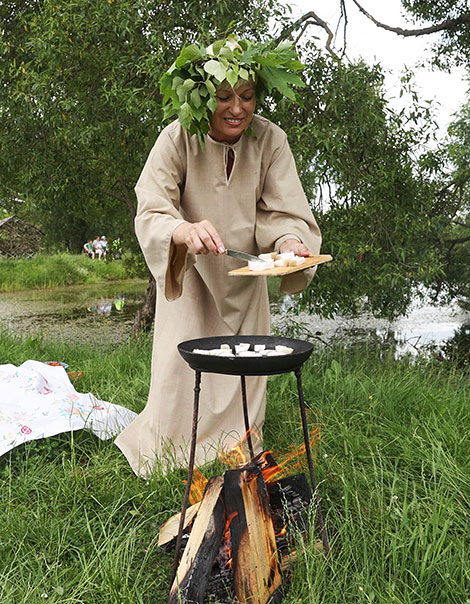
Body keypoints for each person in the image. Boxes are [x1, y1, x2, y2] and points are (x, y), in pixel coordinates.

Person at [115, 37, 322, 477]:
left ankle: (239, 452)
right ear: (206, 96)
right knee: (181, 377)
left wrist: (288, 243)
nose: (236, 108)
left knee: (243, 380)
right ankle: (173, 457)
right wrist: (182, 231)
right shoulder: (177, 137)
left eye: (246, 97)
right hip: (191, 276)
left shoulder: (270, 140)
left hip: (246, 281)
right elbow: (151, 206)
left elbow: (284, 211)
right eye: (225, 96)